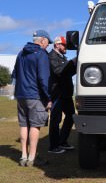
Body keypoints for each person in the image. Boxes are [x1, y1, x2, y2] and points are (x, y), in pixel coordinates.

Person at [12, 30, 53, 167]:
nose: (48, 46)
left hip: (21, 95)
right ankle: (32, 158)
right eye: (47, 42)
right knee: (35, 126)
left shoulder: (21, 53)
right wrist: (49, 97)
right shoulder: (41, 54)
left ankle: (23, 156)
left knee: (24, 125)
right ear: (42, 40)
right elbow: (44, 78)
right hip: (35, 95)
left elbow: (15, 74)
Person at [48, 36, 77, 153]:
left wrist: (75, 64)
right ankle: (54, 146)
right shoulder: (52, 57)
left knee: (71, 116)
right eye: (64, 45)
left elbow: (68, 72)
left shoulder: (62, 57)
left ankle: (62, 142)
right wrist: (73, 61)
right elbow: (59, 71)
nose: (66, 47)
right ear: (57, 45)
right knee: (56, 119)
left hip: (66, 93)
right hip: (57, 93)